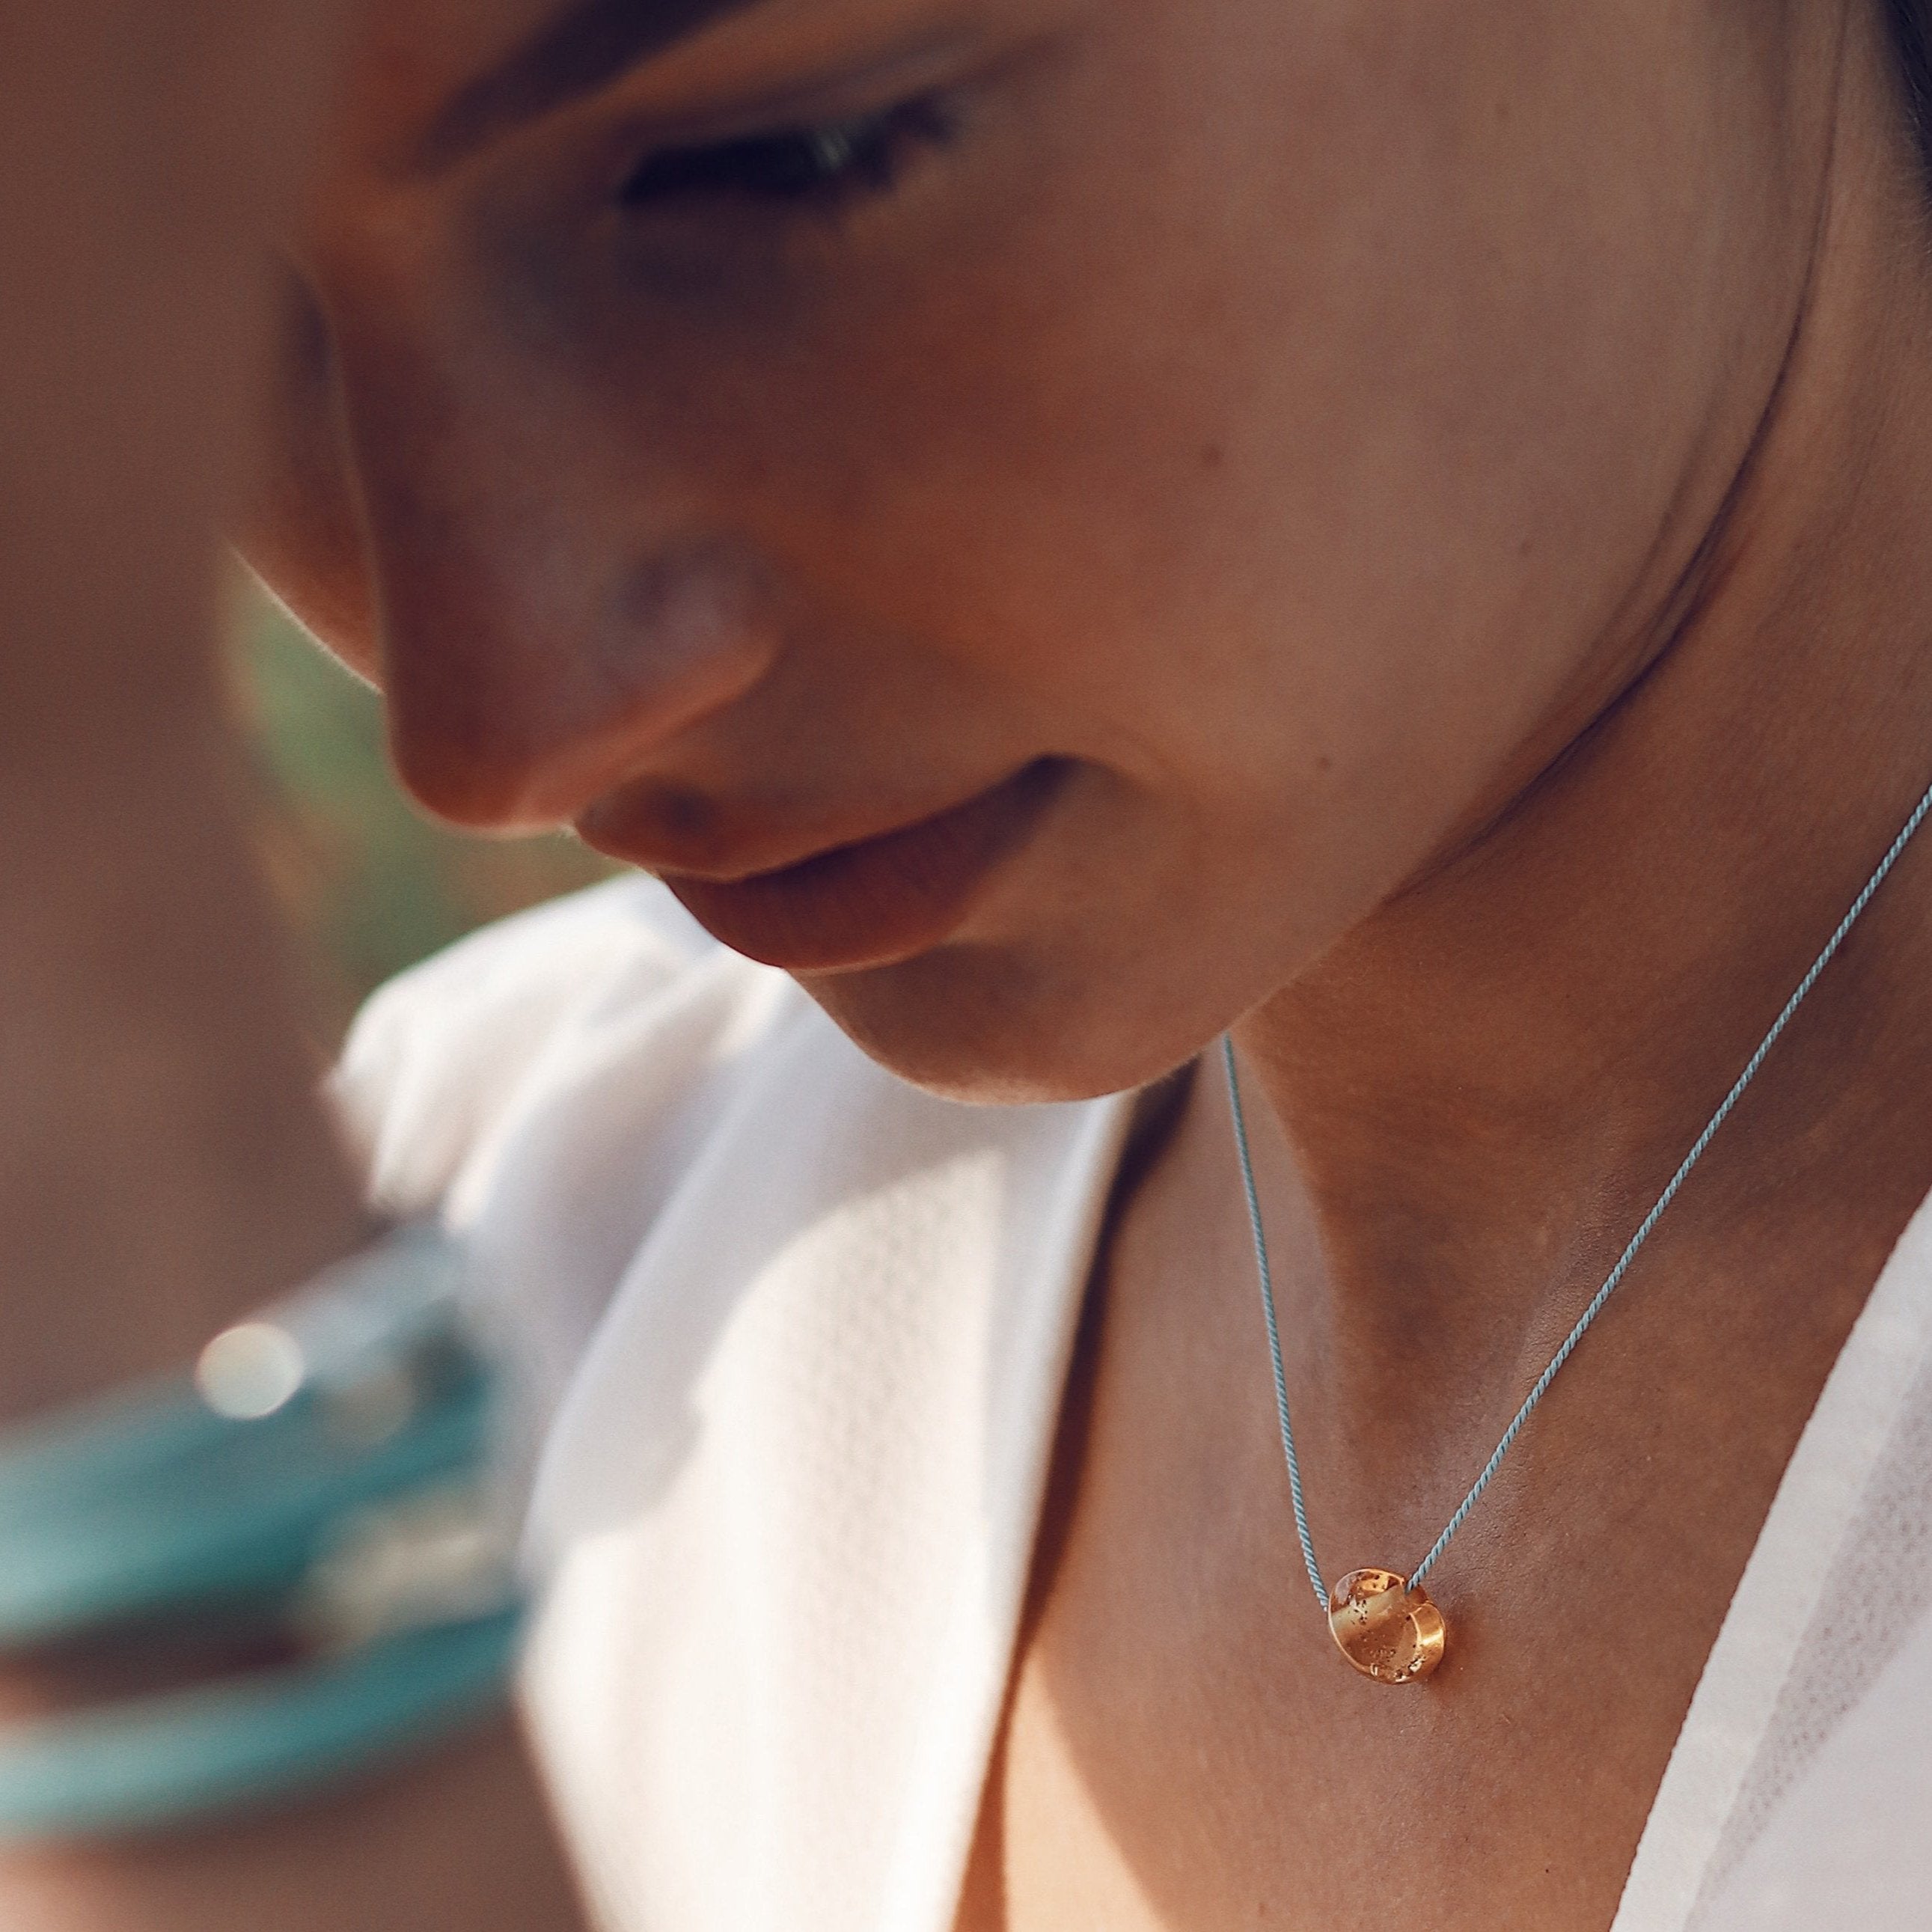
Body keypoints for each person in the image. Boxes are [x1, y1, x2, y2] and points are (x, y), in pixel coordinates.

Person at [4, 0, 1932, 1925]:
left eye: (786, 163)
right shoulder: (501, 1249)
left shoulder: (221, 1401)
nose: (501, 725)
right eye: (214, 318)